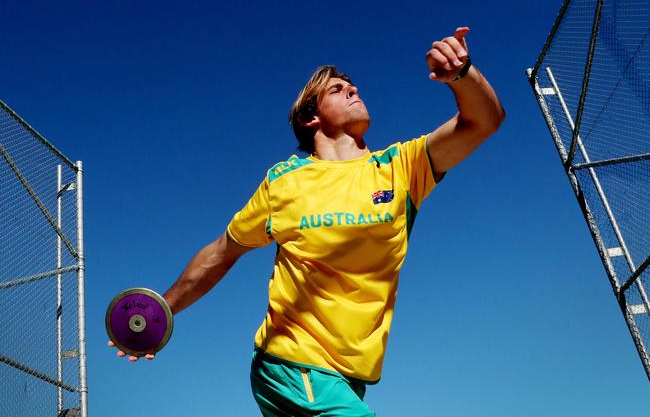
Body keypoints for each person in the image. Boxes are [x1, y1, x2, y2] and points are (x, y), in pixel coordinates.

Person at [109, 27, 505, 416]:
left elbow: (483, 121)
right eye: (337, 89)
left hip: (350, 377)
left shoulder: (400, 168)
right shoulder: (285, 180)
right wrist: (161, 311)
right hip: (290, 364)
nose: (353, 89)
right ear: (312, 118)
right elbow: (222, 252)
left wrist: (461, 74)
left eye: (353, 86)